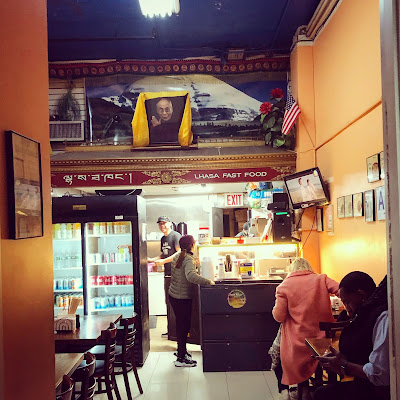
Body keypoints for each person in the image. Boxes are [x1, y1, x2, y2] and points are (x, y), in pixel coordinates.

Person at [272, 258, 339, 400]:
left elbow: (279, 317)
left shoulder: (284, 286)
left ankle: (300, 389)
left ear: (291, 269)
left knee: (277, 353)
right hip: (323, 342)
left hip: (298, 343)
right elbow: (341, 290)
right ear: (309, 268)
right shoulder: (321, 279)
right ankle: (315, 389)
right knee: (316, 356)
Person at [314, 273, 389, 400]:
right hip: (367, 385)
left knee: (322, 394)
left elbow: (380, 375)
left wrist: (344, 365)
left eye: (347, 302)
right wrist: (342, 359)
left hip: (377, 392)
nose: (347, 309)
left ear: (361, 295)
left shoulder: (383, 318)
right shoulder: (367, 313)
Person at [168, 235, 215, 367]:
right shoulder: (187, 258)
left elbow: (183, 272)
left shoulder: (179, 256)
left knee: (181, 326)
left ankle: (181, 351)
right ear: (192, 245)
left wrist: (195, 264)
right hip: (182, 297)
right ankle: (181, 359)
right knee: (184, 327)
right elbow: (190, 276)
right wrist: (208, 281)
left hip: (174, 295)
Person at [147, 216, 181, 338]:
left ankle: (177, 332)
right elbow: (164, 254)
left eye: (164, 223)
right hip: (167, 274)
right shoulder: (163, 238)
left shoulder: (175, 236)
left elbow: (179, 252)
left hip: (176, 273)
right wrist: (152, 259)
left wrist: (164, 261)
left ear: (170, 223)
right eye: (160, 224)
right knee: (168, 302)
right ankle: (171, 330)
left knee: (175, 302)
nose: (162, 226)